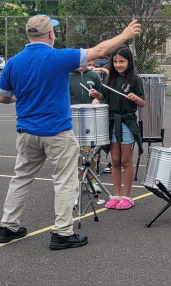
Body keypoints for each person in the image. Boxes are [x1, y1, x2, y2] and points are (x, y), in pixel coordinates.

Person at [0, 15, 141, 249]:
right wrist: (125, 35)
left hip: (26, 131)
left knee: (21, 179)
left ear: (29, 35)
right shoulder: (58, 57)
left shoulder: (14, 62)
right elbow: (99, 50)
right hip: (56, 131)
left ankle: (7, 226)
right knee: (65, 181)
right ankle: (62, 233)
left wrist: (18, 97)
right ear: (50, 35)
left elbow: (3, 96)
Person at [89, 46, 145, 210]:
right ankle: (116, 195)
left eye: (122, 61)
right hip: (113, 123)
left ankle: (127, 197)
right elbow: (102, 96)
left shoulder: (135, 80)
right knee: (114, 161)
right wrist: (95, 94)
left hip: (126, 124)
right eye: (115, 61)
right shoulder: (109, 79)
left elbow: (142, 103)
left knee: (125, 161)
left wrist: (135, 98)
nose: (118, 64)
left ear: (129, 62)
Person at [69, 43, 103, 191]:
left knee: (91, 153)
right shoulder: (67, 75)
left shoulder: (94, 75)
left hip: (90, 120)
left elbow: (102, 95)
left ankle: (92, 182)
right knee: (73, 152)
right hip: (72, 119)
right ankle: (75, 183)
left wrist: (97, 98)